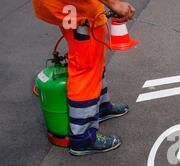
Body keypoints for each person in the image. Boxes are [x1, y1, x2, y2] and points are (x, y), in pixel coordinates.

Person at [32, 0, 136, 156]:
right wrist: (114, 4)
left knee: (94, 60)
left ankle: (100, 108)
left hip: (76, 7)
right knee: (85, 70)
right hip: (78, 10)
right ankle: (83, 138)